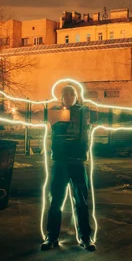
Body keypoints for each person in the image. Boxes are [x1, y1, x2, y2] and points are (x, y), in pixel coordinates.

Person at [41, 85, 96, 251]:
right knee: (56, 201)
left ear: (76, 96)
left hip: (77, 161)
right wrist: (15, 113)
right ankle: (51, 237)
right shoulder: (54, 112)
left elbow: (112, 117)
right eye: (65, 94)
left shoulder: (85, 112)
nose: (69, 96)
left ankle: (85, 238)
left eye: (71, 93)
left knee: (82, 202)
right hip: (60, 161)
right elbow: (32, 117)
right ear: (61, 96)